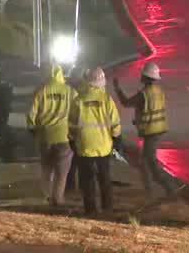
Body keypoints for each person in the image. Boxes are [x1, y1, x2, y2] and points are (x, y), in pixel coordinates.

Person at [114, 61, 175, 199]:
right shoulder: (159, 90)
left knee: (151, 163)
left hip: (152, 132)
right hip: (158, 129)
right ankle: (149, 191)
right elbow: (151, 110)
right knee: (144, 162)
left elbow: (125, 102)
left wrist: (117, 88)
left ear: (146, 77)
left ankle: (170, 190)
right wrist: (140, 120)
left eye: (142, 74)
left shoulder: (144, 94)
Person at [69, 67, 121, 215]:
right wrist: (116, 138)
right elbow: (115, 122)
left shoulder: (78, 100)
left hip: (84, 145)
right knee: (104, 177)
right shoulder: (106, 99)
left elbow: (71, 124)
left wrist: (72, 140)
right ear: (102, 82)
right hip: (104, 145)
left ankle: (90, 209)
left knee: (87, 180)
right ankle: (107, 206)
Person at [27, 64, 75, 206]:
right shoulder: (70, 91)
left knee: (47, 169)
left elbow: (31, 114)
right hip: (64, 136)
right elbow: (78, 112)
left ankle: (46, 196)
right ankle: (58, 199)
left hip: (45, 136)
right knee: (62, 172)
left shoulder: (40, 91)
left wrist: (32, 129)